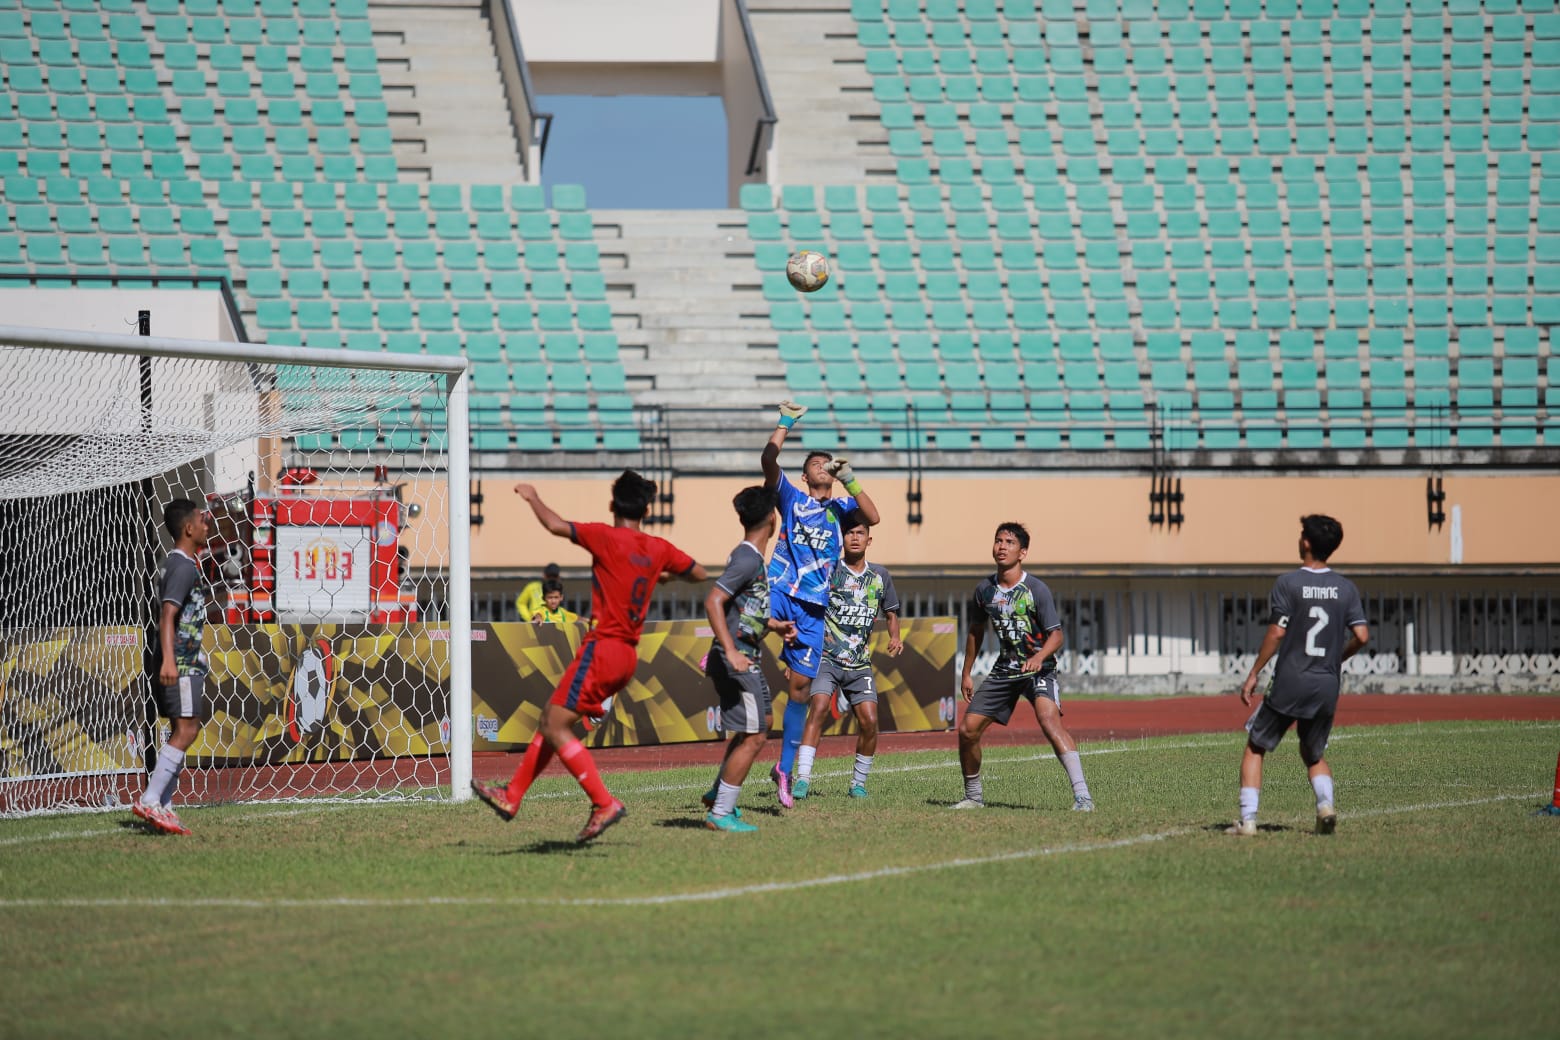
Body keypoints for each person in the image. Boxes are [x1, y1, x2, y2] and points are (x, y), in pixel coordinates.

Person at [471, 471, 707, 843]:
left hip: (603, 648)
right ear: (647, 508)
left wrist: (532, 495)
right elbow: (700, 572)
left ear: (613, 505)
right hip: (628, 655)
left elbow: (554, 525)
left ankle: (603, 802)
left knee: (553, 724)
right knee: (553, 720)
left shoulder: (605, 536)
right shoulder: (658, 548)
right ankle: (512, 796)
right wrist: (664, 577)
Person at [761, 399, 880, 807]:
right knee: (745, 619)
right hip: (781, 589)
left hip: (814, 607)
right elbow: (767, 461)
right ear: (805, 473)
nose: (822, 465)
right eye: (816, 462)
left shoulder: (842, 508)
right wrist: (785, 423)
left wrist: (850, 478)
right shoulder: (792, 498)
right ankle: (724, 649)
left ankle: (786, 768)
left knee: (799, 692)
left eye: (827, 463)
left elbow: (874, 516)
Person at [1228, 514, 1369, 837]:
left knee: (1256, 747)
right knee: (1313, 752)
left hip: (1291, 678)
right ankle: (1325, 806)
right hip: (1326, 682)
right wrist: (1337, 658)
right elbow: (1361, 635)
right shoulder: (1345, 589)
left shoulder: (1288, 583)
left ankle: (1248, 821)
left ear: (1306, 542)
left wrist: (1253, 673)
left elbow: (1277, 632)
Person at [954, 522, 1094, 812]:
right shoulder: (984, 590)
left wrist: (1039, 657)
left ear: (1023, 552)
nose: (1001, 546)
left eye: (1009, 542)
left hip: (1039, 670)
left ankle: (1083, 797)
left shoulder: (1035, 589)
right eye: (998, 540)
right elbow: (975, 632)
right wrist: (967, 673)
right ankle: (973, 797)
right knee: (967, 730)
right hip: (1006, 669)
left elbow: (1057, 635)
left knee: (1048, 720)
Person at [698, 485, 796, 832]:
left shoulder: (751, 557)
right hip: (739, 658)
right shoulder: (747, 558)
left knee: (761, 722)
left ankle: (717, 793)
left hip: (746, 653)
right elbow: (713, 601)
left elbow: (742, 605)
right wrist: (729, 652)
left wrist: (772, 625)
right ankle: (721, 812)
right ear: (773, 518)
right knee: (755, 735)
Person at [793, 511, 901, 800]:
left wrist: (895, 636)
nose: (854, 537)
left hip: (859, 664)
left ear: (869, 539)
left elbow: (891, 612)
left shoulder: (880, 576)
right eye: (850, 533)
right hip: (825, 659)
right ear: (842, 538)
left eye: (860, 533)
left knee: (869, 721)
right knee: (817, 708)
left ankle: (858, 783)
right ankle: (802, 778)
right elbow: (807, 610)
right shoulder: (829, 571)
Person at [131, 498, 213, 836]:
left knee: (185, 730)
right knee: (186, 731)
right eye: (202, 522)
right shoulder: (182, 566)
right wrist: (169, 658)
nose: (207, 527)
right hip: (178, 664)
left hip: (185, 661)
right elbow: (167, 615)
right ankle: (151, 798)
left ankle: (164, 806)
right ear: (188, 529)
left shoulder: (181, 565)